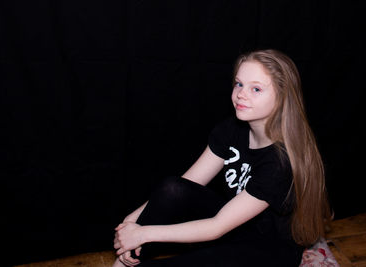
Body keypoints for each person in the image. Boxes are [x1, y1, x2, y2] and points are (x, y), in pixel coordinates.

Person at [112, 49, 332, 267]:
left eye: (256, 88)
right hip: (235, 228)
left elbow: (217, 226)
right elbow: (188, 183)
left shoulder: (279, 163)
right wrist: (132, 221)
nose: (241, 94)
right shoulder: (232, 129)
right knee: (173, 187)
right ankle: (124, 261)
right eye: (239, 84)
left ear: (283, 97)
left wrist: (143, 233)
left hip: (266, 250)